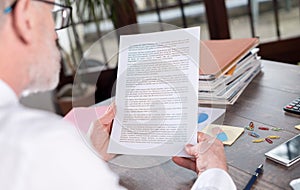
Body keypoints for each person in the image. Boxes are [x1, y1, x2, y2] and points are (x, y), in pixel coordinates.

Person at [0, 0, 236, 189]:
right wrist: (214, 173)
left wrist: (92, 153)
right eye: (52, 15)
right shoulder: (38, 144)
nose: (55, 35)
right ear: (26, 16)